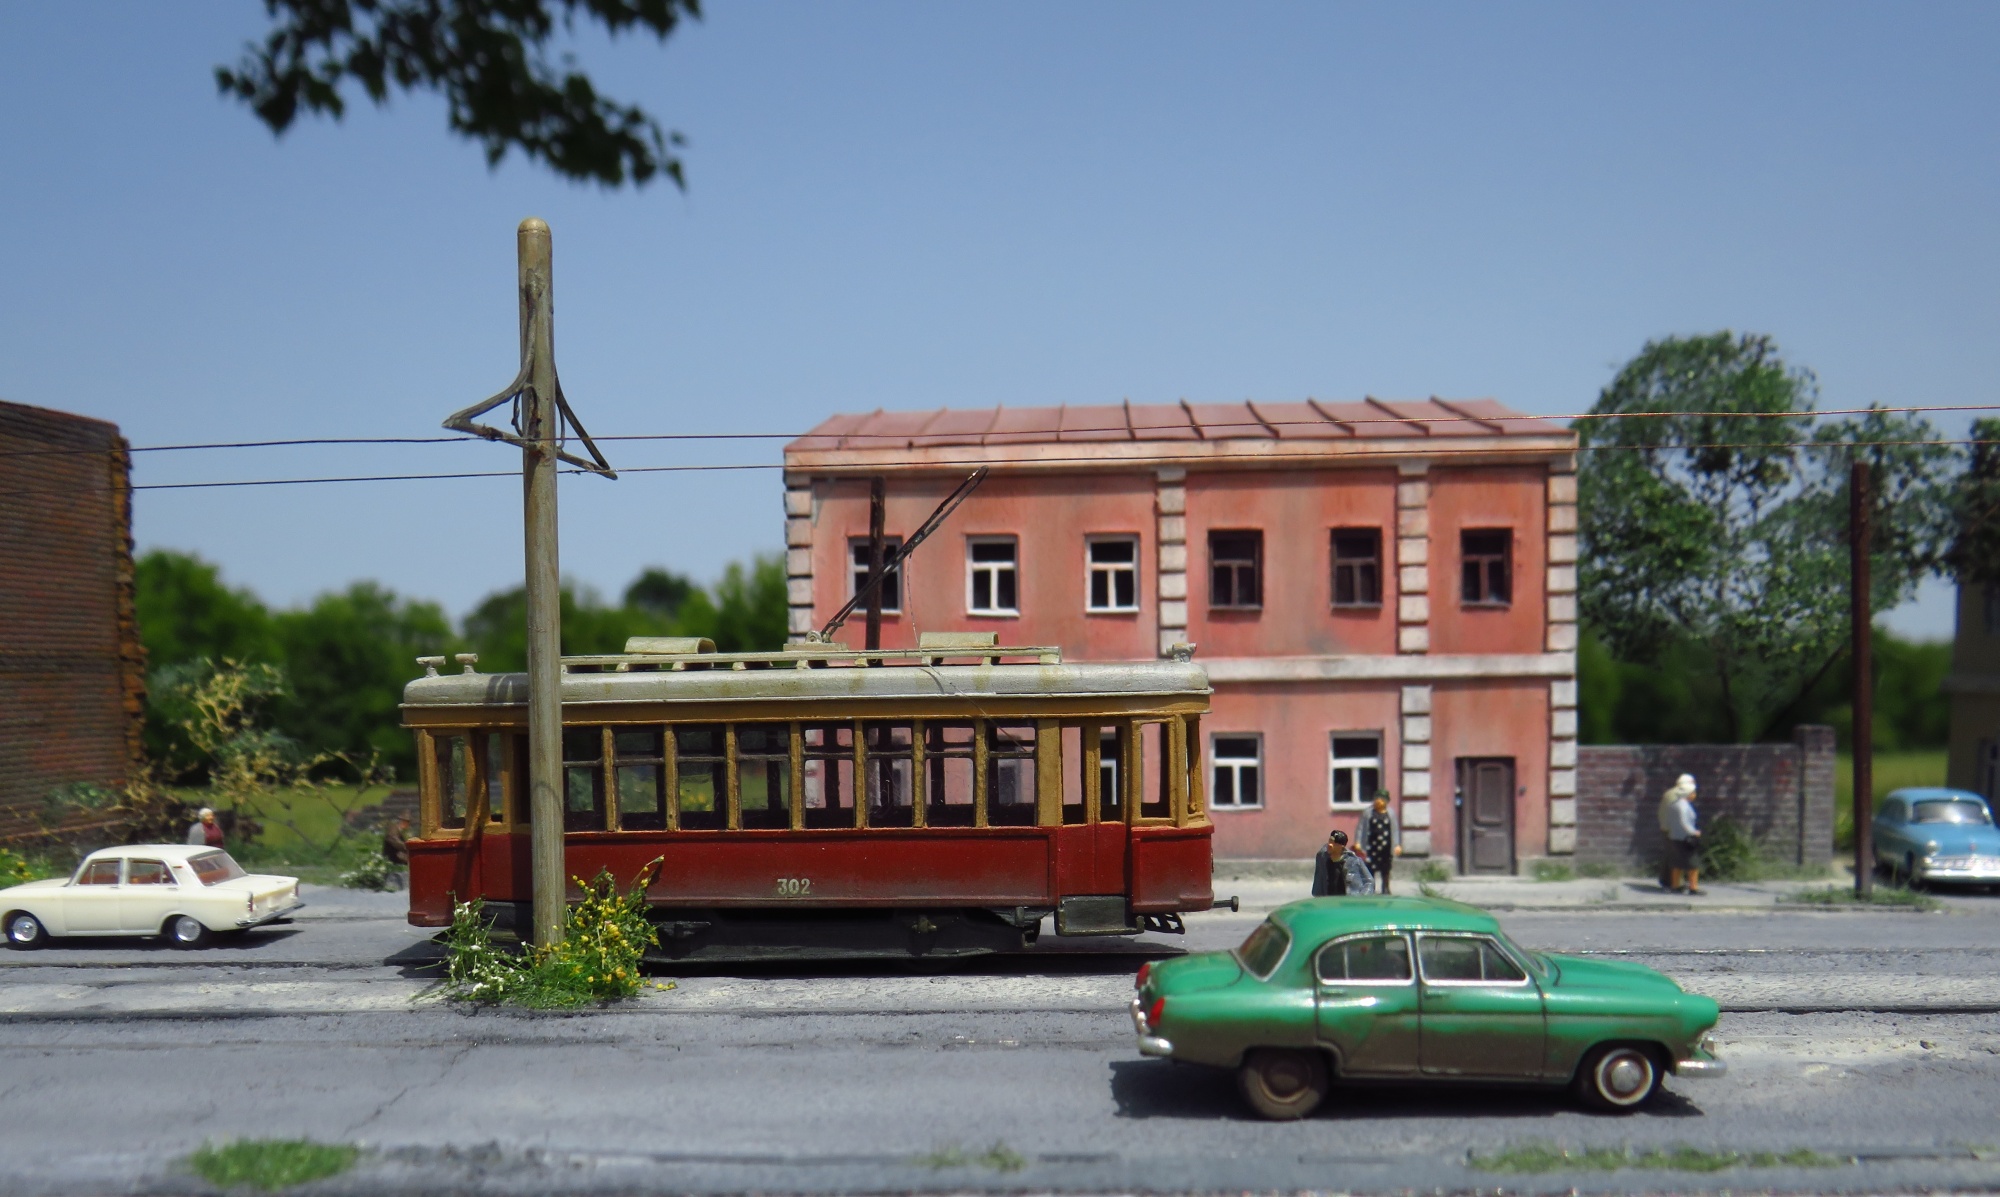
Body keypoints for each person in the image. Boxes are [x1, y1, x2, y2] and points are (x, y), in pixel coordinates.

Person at [1659, 774, 1703, 895]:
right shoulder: (1681, 804)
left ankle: (1675, 885)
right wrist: (1693, 832)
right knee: (1692, 863)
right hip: (1684, 837)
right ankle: (1692, 887)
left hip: (1672, 834)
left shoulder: (1672, 800)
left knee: (1676, 862)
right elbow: (1684, 822)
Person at [1359, 790, 1402, 894]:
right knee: (1370, 868)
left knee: (1385, 869)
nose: (1379, 801)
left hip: (1386, 848)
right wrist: (1358, 842)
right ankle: (1370, 887)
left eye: (1382, 799)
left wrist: (1396, 845)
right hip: (1371, 847)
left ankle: (1385, 887)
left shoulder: (1390, 813)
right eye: (1377, 799)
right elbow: (1361, 828)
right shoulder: (1368, 813)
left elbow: (1395, 830)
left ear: (1386, 801)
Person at [1311, 829, 1375, 896]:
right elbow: (1319, 879)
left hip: (1348, 899)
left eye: (1334, 843)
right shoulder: (1323, 858)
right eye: (1330, 841)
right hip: (1329, 899)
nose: (1330, 845)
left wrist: (1363, 896)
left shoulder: (1354, 861)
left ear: (1341, 846)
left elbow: (1369, 881)